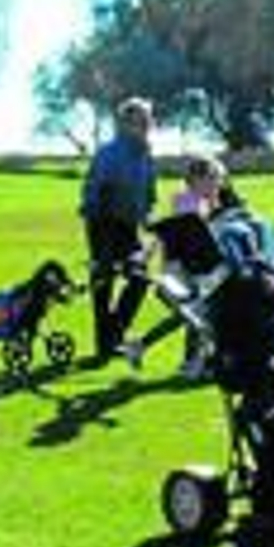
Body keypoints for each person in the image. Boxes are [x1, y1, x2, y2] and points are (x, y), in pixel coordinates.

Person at [119, 154, 226, 377]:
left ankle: (143, 347)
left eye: (219, 179)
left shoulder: (198, 201)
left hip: (189, 267)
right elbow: (175, 234)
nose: (218, 184)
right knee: (195, 313)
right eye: (214, 178)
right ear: (197, 180)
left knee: (190, 314)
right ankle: (189, 362)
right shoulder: (188, 203)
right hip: (180, 269)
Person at [80, 96, 157, 359]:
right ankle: (105, 345)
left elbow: (149, 192)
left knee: (140, 279)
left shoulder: (146, 154)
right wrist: (97, 228)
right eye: (139, 121)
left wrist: (148, 217)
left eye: (148, 121)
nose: (145, 126)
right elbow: (94, 190)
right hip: (103, 223)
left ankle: (114, 332)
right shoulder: (109, 152)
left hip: (128, 226)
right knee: (103, 284)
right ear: (124, 124)